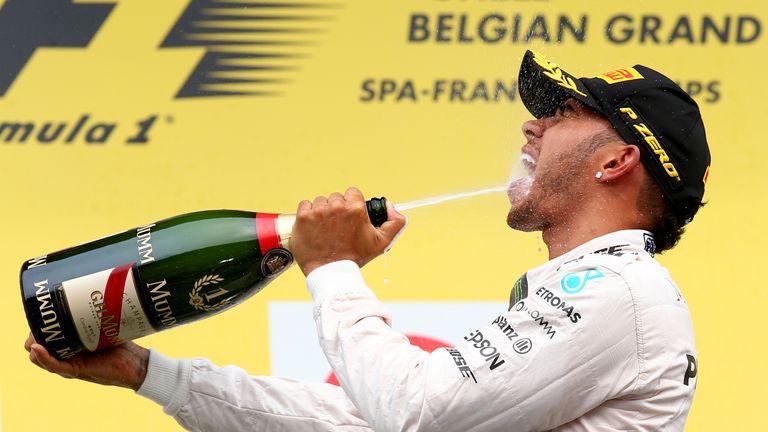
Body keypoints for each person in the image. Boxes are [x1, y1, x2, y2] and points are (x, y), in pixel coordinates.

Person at [25, 50, 709, 431]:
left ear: (616, 162)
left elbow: (415, 412)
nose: (531, 129)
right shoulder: (599, 294)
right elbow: (360, 424)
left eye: (562, 113)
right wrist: (152, 375)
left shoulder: (619, 293)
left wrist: (332, 267)